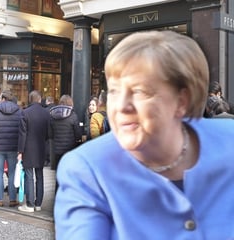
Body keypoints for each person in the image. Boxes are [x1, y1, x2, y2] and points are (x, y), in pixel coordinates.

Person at [54, 30, 234, 239]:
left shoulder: (229, 143)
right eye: (114, 90)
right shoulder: (86, 170)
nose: (121, 106)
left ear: (182, 100)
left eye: (140, 92)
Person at [17, 90, 50, 212]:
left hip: (28, 148)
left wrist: (20, 151)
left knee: (29, 176)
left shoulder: (25, 113)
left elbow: (22, 134)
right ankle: (38, 204)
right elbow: (49, 133)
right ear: (40, 99)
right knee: (40, 176)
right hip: (41, 148)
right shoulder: (46, 114)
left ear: (30, 100)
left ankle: (29, 204)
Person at [49, 94, 82, 190]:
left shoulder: (53, 115)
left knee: (58, 176)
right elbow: (78, 135)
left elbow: (50, 134)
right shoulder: (73, 115)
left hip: (57, 151)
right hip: (69, 150)